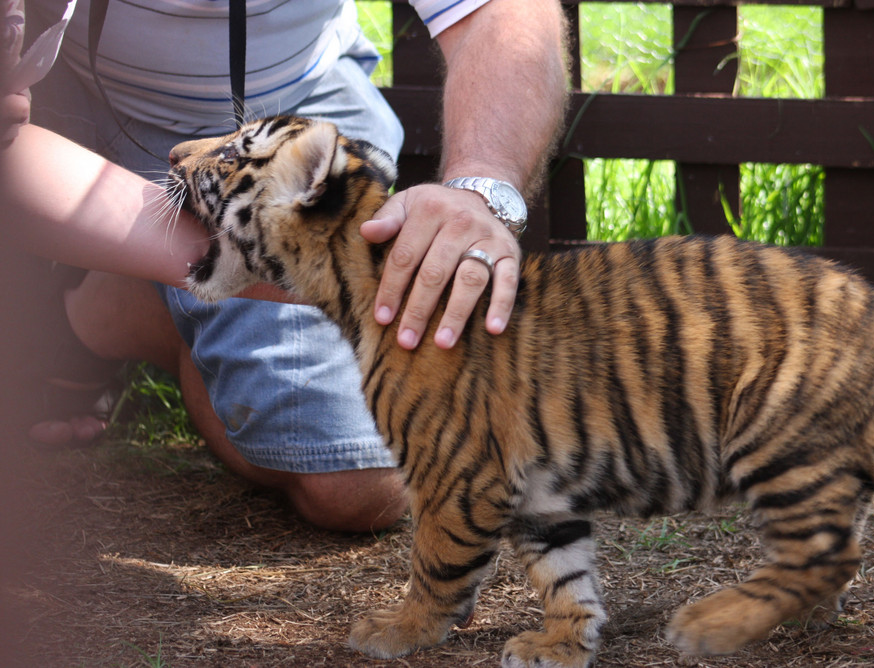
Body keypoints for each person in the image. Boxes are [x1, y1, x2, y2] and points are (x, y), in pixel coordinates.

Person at [2, 0, 568, 532]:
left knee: (360, 481)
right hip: (64, 116)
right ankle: (125, 303)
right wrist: (294, 269)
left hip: (282, 121)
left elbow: (503, 13)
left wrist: (478, 188)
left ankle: (124, 307)